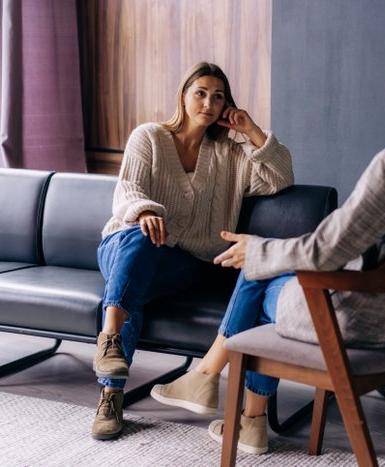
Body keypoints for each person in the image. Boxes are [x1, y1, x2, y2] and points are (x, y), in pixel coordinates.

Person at [151, 19, 385, 455]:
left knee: (258, 273)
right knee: (265, 260)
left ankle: (215, 386)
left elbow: (326, 249)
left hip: (356, 324)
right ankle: (243, 415)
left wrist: (258, 250)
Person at [91, 62, 294, 440]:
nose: (209, 102)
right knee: (140, 241)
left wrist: (251, 131)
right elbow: (127, 192)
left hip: (186, 262)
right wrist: (146, 211)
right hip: (124, 244)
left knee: (138, 278)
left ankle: (111, 388)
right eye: (200, 92)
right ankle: (111, 355)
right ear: (183, 96)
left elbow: (280, 179)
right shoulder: (148, 136)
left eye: (218, 96)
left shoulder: (231, 155)